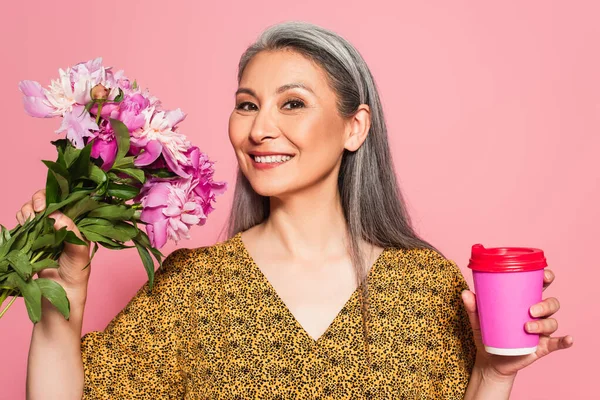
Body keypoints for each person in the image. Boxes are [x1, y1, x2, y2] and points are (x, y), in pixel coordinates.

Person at [24, 21, 573, 399]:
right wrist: (63, 301)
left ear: (354, 127)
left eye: (292, 103)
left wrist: (494, 373)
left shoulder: (427, 286)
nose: (260, 129)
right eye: (246, 105)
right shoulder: (195, 288)